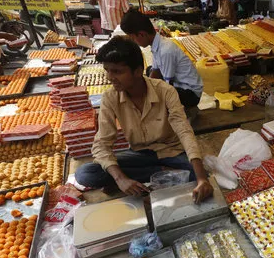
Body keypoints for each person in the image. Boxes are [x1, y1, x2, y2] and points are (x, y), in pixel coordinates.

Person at [74, 37, 213, 201]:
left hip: (170, 151)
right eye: (107, 70)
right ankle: (161, 172)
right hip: (139, 155)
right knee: (85, 173)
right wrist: (121, 179)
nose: (110, 77)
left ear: (138, 71)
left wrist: (202, 179)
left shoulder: (165, 91)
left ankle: (156, 173)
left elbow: (184, 131)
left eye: (117, 71)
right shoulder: (110, 98)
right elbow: (102, 144)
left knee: (201, 172)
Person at [120, 10, 203, 109]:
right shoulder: (157, 43)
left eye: (133, 38)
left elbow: (166, 86)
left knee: (158, 92)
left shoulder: (165, 50)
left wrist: (144, 96)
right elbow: (155, 72)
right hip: (178, 84)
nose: (134, 42)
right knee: (149, 71)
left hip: (190, 94)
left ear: (142, 34)